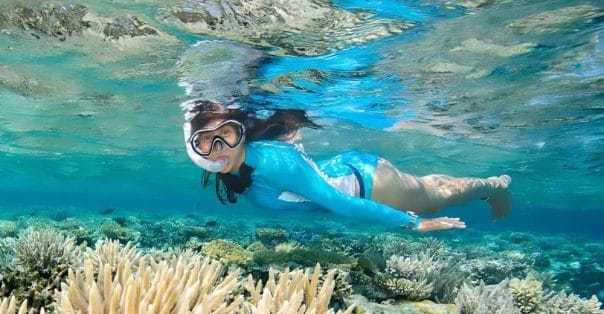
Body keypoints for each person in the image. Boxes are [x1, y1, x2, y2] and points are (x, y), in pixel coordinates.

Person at [184, 102, 512, 232]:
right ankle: (488, 185)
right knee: (430, 186)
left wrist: (413, 224)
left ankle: (495, 187)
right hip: (350, 169)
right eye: (206, 141)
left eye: (226, 134)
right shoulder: (238, 166)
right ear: (193, 146)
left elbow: (337, 203)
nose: (218, 149)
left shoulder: (272, 162)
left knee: (439, 196)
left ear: (240, 133)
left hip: (369, 184)